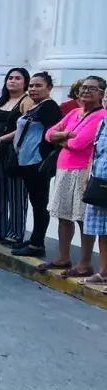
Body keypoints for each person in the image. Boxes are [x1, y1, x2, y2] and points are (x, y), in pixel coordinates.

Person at [41, 76, 107, 278]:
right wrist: (65, 136)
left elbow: (79, 143)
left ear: (101, 93)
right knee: (63, 214)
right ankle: (63, 256)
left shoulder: (100, 116)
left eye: (92, 89)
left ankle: (84, 262)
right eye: (83, 88)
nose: (86, 91)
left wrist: (62, 137)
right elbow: (48, 133)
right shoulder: (74, 113)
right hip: (64, 168)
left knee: (82, 217)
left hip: (82, 171)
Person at [11, 72, 62, 258]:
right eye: (31, 85)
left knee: (40, 203)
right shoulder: (36, 107)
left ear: (49, 88)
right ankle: (34, 238)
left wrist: (44, 156)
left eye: (38, 85)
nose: (33, 89)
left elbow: (53, 134)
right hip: (27, 161)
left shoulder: (49, 107)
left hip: (37, 162)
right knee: (35, 202)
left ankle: (37, 244)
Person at [0, 67, 32, 244]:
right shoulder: (0, 101)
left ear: (25, 82)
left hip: (14, 153)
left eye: (17, 78)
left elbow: (23, 128)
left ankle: (15, 232)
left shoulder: (27, 101)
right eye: (10, 78)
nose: (12, 81)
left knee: (16, 193)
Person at [81, 117, 107, 287]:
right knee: (103, 230)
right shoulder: (103, 122)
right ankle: (103, 273)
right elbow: (95, 151)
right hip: (100, 180)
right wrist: (87, 176)